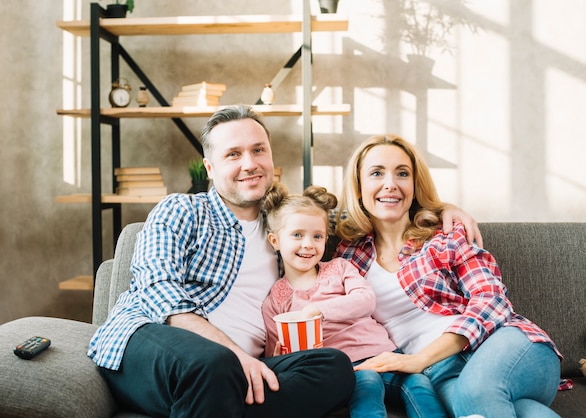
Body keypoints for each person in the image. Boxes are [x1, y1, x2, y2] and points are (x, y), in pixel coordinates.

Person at [87, 105, 356, 418]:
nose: (250, 164)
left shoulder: (287, 227)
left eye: (258, 150)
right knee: (214, 364)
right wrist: (234, 353)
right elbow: (158, 289)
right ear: (210, 167)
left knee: (334, 367)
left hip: (239, 370)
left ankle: (218, 404)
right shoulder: (182, 210)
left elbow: (359, 216)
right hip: (152, 344)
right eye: (233, 154)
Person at [335, 134, 563, 418]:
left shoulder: (445, 236)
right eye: (376, 173)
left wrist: (419, 360)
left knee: (476, 394)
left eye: (402, 173)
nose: (390, 184)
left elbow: (492, 300)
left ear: (414, 185)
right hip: (441, 374)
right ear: (358, 186)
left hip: (502, 345)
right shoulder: (347, 256)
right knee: (518, 412)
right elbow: (303, 216)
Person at [261, 182, 448, 418]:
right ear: (275, 241)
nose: (308, 244)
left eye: (317, 236)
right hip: (348, 368)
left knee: (419, 383)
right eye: (297, 235)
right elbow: (274, 356)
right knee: (367, 383)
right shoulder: (276, 299)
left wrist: (317, 310)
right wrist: (280, 357)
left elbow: (365, 300)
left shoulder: (339, 268)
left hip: (386, 353)